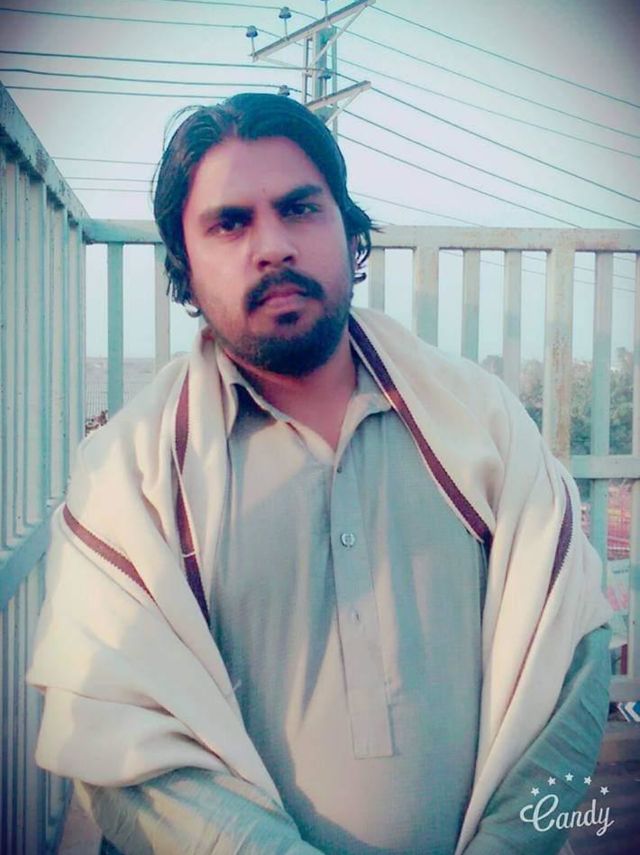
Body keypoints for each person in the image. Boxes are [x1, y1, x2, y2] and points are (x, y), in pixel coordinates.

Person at [28, 93, 612, 855]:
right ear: (184, 266)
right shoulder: (128, 476)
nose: (272, 246)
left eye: (300, 208)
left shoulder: (482, 422)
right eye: (229, 223)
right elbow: (121, 738)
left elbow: (570, 657)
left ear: (349, 230)